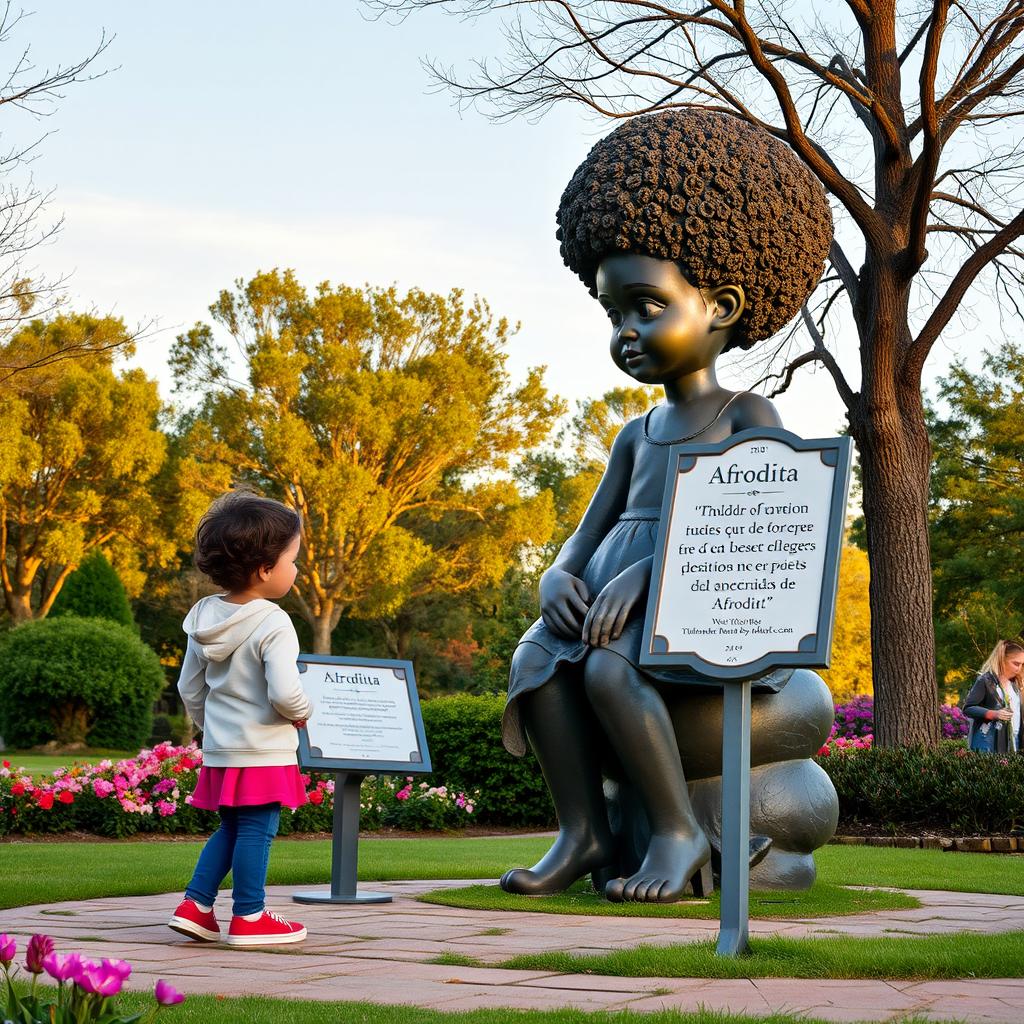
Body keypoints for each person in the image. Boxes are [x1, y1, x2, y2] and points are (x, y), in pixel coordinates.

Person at [499, 107, 833, 903]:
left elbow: (750, 529)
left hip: (699, 599)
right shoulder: (637, 431)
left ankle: (681, 832)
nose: (627, 332)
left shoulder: (747, 418)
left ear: (718, 305)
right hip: (609, 602)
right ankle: (583, 832)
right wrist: (557, 575)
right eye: (615, 314)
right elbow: (589, 529)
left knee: (613, 673)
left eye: (647, 306)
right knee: (535, 663)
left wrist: (650, 575)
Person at [167, 491, 314, 945]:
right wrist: (303, 712)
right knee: (258, 828)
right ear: (266, 569)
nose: (296, 570)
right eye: (293, 560)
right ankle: (250, 915)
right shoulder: (273, 622)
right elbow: (285, 692)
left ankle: (196, 905)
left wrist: (211, 729)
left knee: (231, 825)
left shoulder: (202, 618)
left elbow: (189, 688)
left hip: (223, 747)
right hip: (264, 748)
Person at [962, 639, 1024, 753]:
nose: (1019, 668)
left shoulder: (1015, 685)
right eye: (1016, 663)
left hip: (1013, 743)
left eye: (1021, 664)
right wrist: (994, 714)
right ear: (1002, 660)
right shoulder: (985, 680)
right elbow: (968, 708)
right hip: (989, 743)